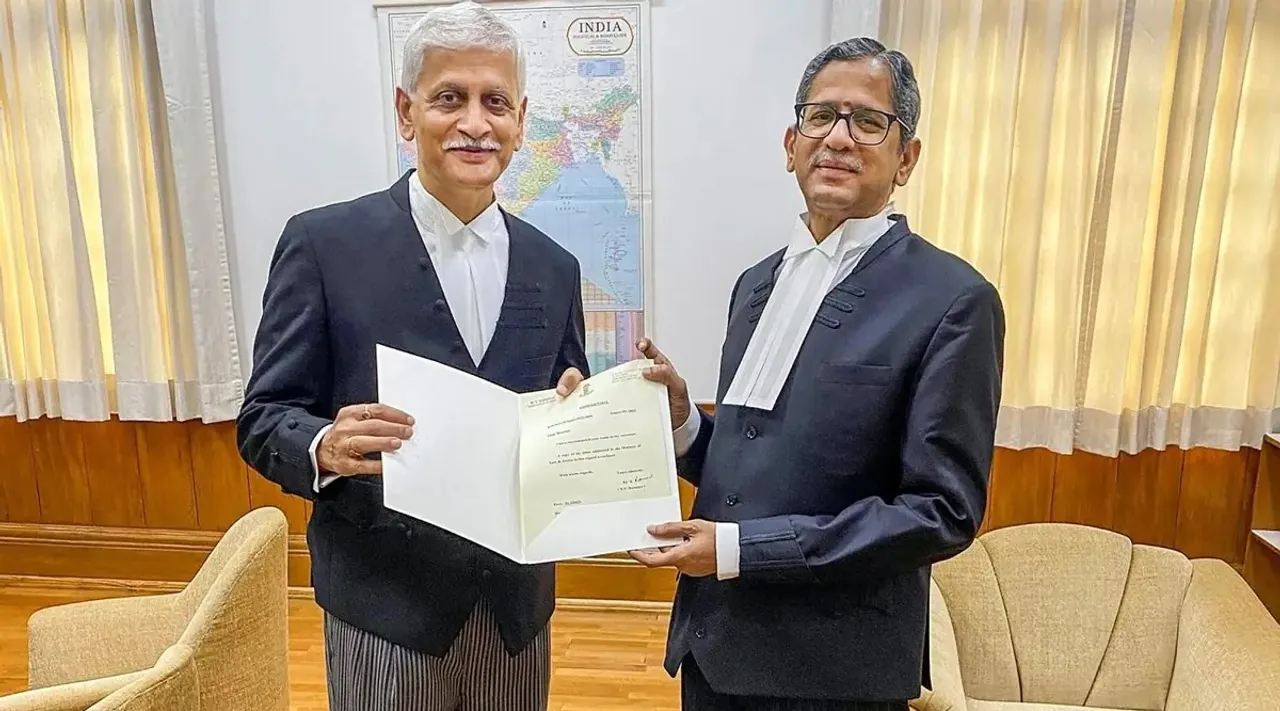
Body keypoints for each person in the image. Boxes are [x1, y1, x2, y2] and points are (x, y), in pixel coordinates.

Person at [562, 38, 1004, 709]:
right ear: (790, 143)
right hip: (714, 648)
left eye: (868, 121)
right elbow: (748, 464)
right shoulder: (756, 285)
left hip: (830, 673)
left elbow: (940, 513)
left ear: (907, 157)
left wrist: (742, 549)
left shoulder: (952, 300)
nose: (839, 138)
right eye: (820, 116)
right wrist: (683, 421)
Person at [236, 2, 587, 709]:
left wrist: (578, 418)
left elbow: (564, 400)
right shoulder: (323, 245)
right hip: (383, 603)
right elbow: (263, 418)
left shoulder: (557, 267)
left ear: (521, 120)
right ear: (406, 112)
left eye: (495, 102)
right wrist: (325, 443)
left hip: (514, 606)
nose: (474, 123)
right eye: (449, 98)